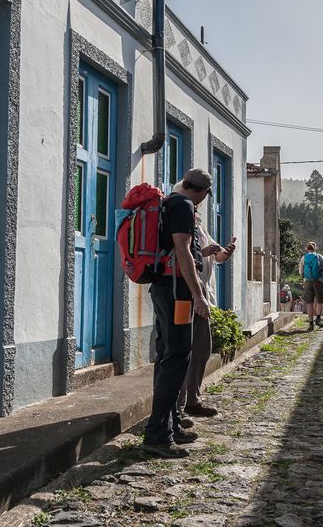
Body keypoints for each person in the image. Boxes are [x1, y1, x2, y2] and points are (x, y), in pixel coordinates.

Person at [142, 168, 212, 458]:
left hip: (166, 288)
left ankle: (169, 426)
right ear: (204, 193)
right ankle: (158, 435)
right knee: (177, 356)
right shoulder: (183, 206)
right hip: (176, 291)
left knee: (167, 354)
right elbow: (182, 250)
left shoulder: (168, 202)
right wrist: (198, 295)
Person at [176, 216, 235, 426]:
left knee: (202, 349)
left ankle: (193, 399)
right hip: (186, 293)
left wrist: (224, 253)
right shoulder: (177, 221)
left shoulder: (198, 224)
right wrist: (204, 252)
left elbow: (215, 257)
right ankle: (179, 408)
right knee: (183, 352)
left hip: (203, 295)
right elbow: (181, 255)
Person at [299, 241, 323, 331]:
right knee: (320, 301)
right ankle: (318, 318)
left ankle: (311, 323)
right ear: (315, 248)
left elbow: (301, 271)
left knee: (309, 303)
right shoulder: (319, 257)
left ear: (307, 249)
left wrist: (305, 277)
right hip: (318, 281)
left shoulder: (304, 258)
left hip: (308, 282)